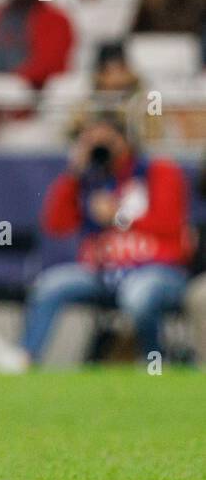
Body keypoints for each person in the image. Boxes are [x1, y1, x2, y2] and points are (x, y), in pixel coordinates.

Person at [13, 114, 192, 367]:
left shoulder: (159, 171)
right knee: (50, 285)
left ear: (125, 140)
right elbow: (56, 224)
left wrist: (119, 216)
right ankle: (25, 358)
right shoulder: (89, 180)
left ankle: (154, 362)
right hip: (103, 273)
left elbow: (171, 224)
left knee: (138, 296)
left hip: (157, 270)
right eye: (92, 141)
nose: (101, 148)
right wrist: (73, 174)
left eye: (106, 141)